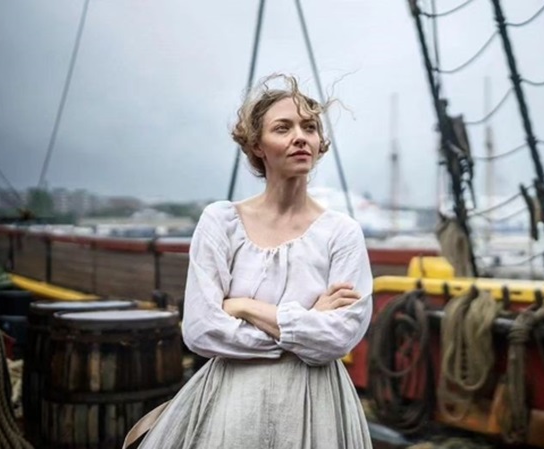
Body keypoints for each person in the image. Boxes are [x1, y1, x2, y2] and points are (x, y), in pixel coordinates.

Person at [133, 75, 373, 448]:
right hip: (232, 405)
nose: (300, 136)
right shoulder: (221, 222)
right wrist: (304, 324)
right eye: (283, 127)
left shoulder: (342, 233)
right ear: (257, 145)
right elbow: (200, 329)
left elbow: (338, 338)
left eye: (309, 127)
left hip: (317, 408)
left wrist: (244, 307)